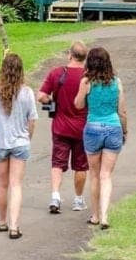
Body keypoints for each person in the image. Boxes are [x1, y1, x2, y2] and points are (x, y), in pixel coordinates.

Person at [0, 53, 38, 239]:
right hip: (20, 142)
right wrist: (27, 137)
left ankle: (2, 221)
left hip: (0, 142)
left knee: (2, 184)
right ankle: (15, 226)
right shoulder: (27, 93)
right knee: (16, 184)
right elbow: (32, 121)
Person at [73, 47, 126, 230]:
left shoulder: (87, 82)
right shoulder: (116, 82)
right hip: (113, 127)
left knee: (95, 175)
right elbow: (122, 111)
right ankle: (105, 215)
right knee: (106, 175)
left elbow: (78, 104)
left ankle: (95, 215)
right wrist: (124, 130)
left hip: (93, 128)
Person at [37, 41, 89, 214]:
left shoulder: (57, 73)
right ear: (85, 58)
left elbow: (41, 96)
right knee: (81, 165)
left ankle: (55, 196)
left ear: (70, 54)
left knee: (57, 162)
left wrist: (52, 103)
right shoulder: (88, 77)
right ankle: (78, 199)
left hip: (60, 126)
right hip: (82, 127)